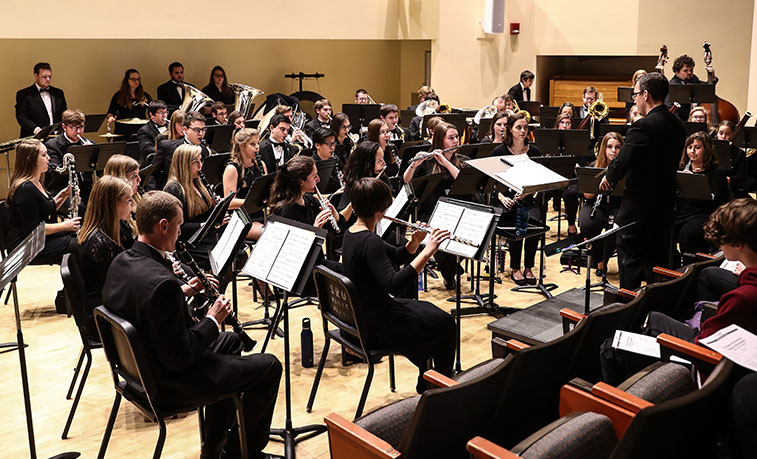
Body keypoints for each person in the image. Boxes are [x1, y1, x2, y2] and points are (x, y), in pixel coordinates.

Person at [102, 190, 282, 459]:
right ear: (163, 226)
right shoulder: (162, 284)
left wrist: (182, 292)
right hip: (168, 382)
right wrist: (213, 318)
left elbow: (144, 303)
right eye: (178, 225)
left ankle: (213, 445)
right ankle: (240, 453)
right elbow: (180, 356)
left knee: (231, 342)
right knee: (269, 367)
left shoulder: (122, 261)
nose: (180, 233)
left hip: (138, 371)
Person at [600, 197, 757, 385]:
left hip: (707, 366)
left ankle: (614, 400)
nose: (719, 245)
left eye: (723, 239)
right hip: (727, 357)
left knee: (610, 348)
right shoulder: (746, 290)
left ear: (738, 244)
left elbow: (704, 347)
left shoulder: (742, 297)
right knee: (654, 317)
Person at [342, 177, 455, 393]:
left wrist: (414, 242)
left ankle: (428, 379)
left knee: (433, 315)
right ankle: (441, 388)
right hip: (377, 322)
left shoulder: (352, 233)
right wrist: (428, 251)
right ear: (379, 211)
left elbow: (394, 255)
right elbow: (393, 284)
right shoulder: (370, 240)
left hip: (366, 313)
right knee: (446, 323)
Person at [600, 72, 687, 289]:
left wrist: (609, 178)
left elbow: (623, 161)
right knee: (656, 268)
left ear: (646, 94)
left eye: (636, 94)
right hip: (665, 207)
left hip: (638, 210)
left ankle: (629, 317)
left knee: (630, 265)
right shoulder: (678, 125)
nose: (634, 99)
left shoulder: (643, 126)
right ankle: (652, 315)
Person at [270, 156, 349, 292]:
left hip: (316, 263)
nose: (318, 180)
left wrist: (335, 215)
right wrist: (315, 229)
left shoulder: (309, 200)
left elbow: (338, 230)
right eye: (314, 177)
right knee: (346, 280)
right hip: (298, 275)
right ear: (301, 182)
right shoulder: (284, 210)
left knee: (353, 271)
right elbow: (291, 254)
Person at [403, 122, 468, 289]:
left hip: (457, 212)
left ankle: (450, 270)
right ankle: (449, 273)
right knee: (441, 238)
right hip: (431, 214)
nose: (456, 141)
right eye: (451, 138)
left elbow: (464, 182)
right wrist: (414, 165)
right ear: (440, 141)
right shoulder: (427, 163)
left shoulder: (463, 161)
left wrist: (446, 163)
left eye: (457, 137)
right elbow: (406, 181)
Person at [77, 176, 135, 335]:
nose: (133, 204)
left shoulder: (118, 228)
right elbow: (116, 288)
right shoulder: (99, 243)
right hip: (105, 316)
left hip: (113, 305)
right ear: (114, 204)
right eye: (129, 200)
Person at [7, 139, 79, 265]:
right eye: (44, 155)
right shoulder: (25, 189)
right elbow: (34, 229)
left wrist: (64, 194)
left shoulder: (37, 182)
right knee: (78, 246)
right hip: (25, 247)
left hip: (38, 241)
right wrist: (65, 225)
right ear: (30, 159)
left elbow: (47, 209)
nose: (49, 158)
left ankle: (76, 284)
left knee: (82, 238)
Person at [492, 113, 544, 285]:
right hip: (506, 200)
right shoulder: (499, 152)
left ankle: (529, 266)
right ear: (510, 130)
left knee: (535, 222)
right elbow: (492, 181)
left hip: (528, 198)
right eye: (519, 127)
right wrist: (501, 197)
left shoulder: (534, 151)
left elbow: (541, 179)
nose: (523, 131)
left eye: (525, 128)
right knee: (515, 220)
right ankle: (515, 267)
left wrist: (528, 192)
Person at [163, 144, 222, 269]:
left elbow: (207, 214)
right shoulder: (174, 189)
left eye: (200, 160)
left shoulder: (198, 182)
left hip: (205, 238)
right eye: (196, 162)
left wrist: (218, 209)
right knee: (224, 261)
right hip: (189, 244)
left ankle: (218, 287)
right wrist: (205, 225)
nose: (200, 166)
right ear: (184, 164)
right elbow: (177, 228)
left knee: (240, 255)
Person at [674, 132, 729, 260]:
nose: (692, 151)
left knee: (688, 233)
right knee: (660, 228)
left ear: (707, 150)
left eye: (697, 147)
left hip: (703, 213)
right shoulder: (681, 169)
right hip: (682, 211)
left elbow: (714, 198)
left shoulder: (717, 172)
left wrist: (693, 183)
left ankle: (691, 265)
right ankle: (672, 265)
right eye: (689, 147)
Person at [578, 132, 623, 276]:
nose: (613, 151)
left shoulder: (625, 169)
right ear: (604, 148)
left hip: (617, 205)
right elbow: (587, 195)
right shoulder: (594, 166)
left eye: (617, 147)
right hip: (595, 204)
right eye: (609, 147)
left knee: (615, 228)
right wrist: (603, 178)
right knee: (587, 224)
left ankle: (603, 259)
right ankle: (598, 259)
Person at [44, 109, 95, 206]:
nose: (79, 131)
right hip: (62, 190)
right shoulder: (52, 146)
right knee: (80, 206)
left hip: (85, 190)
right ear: (64, 127)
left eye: (81, 127)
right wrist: (82, 157)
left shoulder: (89, 144)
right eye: (74, 128)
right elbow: (56, 174)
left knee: (105, 203)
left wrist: (91, 153)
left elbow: (99, 170)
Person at [153, 111, 215, 190]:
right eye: (197, 130)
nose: (201, 134)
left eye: (203, 130)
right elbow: (153, 175)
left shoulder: (205, 151)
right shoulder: (167, 147)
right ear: (185, 129)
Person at [223, 128, 266, 240]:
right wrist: (255, 202)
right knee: (268, 235)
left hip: (261, 214)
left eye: (257, 143)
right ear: (241, 146)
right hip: (242, 219)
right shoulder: (232, 169)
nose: (257, 147)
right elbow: (229, 202)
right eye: (252, 144)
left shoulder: (261, 165)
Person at [15, 62, 67, 137]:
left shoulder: (58, 93)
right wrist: (36, 130)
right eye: (44, 77)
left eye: (50, 76)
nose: (48, 79)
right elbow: (21, 117)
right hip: (33, 137)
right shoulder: (24, 94)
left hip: (55, 137)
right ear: (36, 76)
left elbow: (64, 113)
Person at [337, 141, 388, 212]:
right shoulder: (353, 186)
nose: (384, 163)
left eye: (383, 158)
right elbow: (343, 214)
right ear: (367, 164)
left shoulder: (380, 175)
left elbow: (391, 196)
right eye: (379, 160)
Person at [668, 54, 717, 121]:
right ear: (677, 72)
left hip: (697, 121)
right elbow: (669, 107)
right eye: (685, 71)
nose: (689, 73)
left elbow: (707, 88)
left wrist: (712, 78)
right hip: (682, 121)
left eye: (691, 70)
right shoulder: (671, 86)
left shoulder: (694, 80)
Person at [106, 69, 151, 140]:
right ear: (127, 80)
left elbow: (152, 110)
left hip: (140, 130)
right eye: (133, 79)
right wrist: (110, 117)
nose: (136, 81)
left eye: (138, 79)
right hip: (123, 131)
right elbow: (111, 112)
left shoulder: (144, 96)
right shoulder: (118, 96)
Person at [715, 120, 755, 197]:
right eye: (721, 133)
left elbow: (741, 175)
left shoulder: (740, 153)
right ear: (717, 133)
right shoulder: (710, 150)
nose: (723, 137)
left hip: (731, 187)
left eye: (728, 134)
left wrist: (729, 179)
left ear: (733, 135)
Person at [136, 100, 169, 167]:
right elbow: (146, 149)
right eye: (161, 113)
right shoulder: (144, 130)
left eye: (165, 112)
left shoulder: (171, 126)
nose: (164, 116)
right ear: (152, 115)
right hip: (153, 165)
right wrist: (166, 148)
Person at [311, 128, 343, 194]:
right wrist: (334, 195)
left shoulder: (336, 160)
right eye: (329, 144)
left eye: (334, 143)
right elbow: (310, 196)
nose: (332, 147)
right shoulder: (311, 165)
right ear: (317, 145)